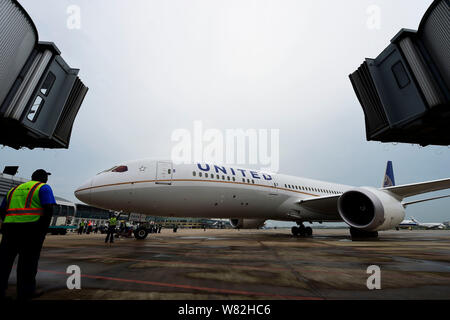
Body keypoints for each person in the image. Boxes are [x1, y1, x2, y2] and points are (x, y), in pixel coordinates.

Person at [0, 169, 56, 300]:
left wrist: (7, 223)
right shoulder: (43, 188)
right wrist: (42, 231)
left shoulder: (14, 190)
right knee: (28, 264)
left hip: (10, 230)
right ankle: (25, 293)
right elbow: (48, 210)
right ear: (44, 178)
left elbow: (2, 210)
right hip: (31, 231)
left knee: (3, 263)